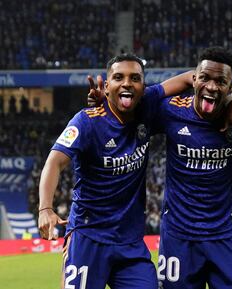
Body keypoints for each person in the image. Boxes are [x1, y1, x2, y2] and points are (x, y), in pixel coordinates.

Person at [38, 53, 194, 289]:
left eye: (135, 78)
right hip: (89, 236)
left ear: (144, 85)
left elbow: (191, 78)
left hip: (130, 243)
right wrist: (45, 208)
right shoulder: (87, 121)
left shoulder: (148, 105)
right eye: (118, 77)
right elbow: (54, 161)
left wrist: (229, 98)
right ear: (107, 85)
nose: (127, 83)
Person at [154, 47, 232, 289]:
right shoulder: (171, 110)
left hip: (225, 235)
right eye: (205, 78)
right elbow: (134, 103)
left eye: (221, 82)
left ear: (230, 85)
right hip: (179, 236)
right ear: (194, 78)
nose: (211, 86)